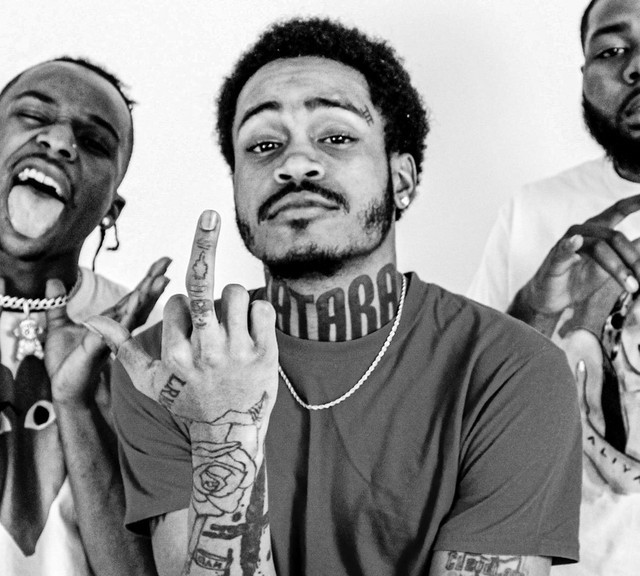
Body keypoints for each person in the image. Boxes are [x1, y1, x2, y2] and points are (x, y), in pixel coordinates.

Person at [90, 18, 582, 576]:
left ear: (402, 179)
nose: (294, 164)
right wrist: (224, 435)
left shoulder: (514, 370)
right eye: (264, 145)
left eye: (336, 137)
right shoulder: (173, 365)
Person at [468, 0, 640, 574]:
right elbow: (467, 409)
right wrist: (536, 309)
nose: (636, 65)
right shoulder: (533, 210)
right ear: (585, 75)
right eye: (612, 49)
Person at [0, 57, 170, 575]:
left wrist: (79, 405)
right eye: (34, 116)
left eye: (94, 142)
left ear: (110, 211)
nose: (58, 142)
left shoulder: (147, 343)